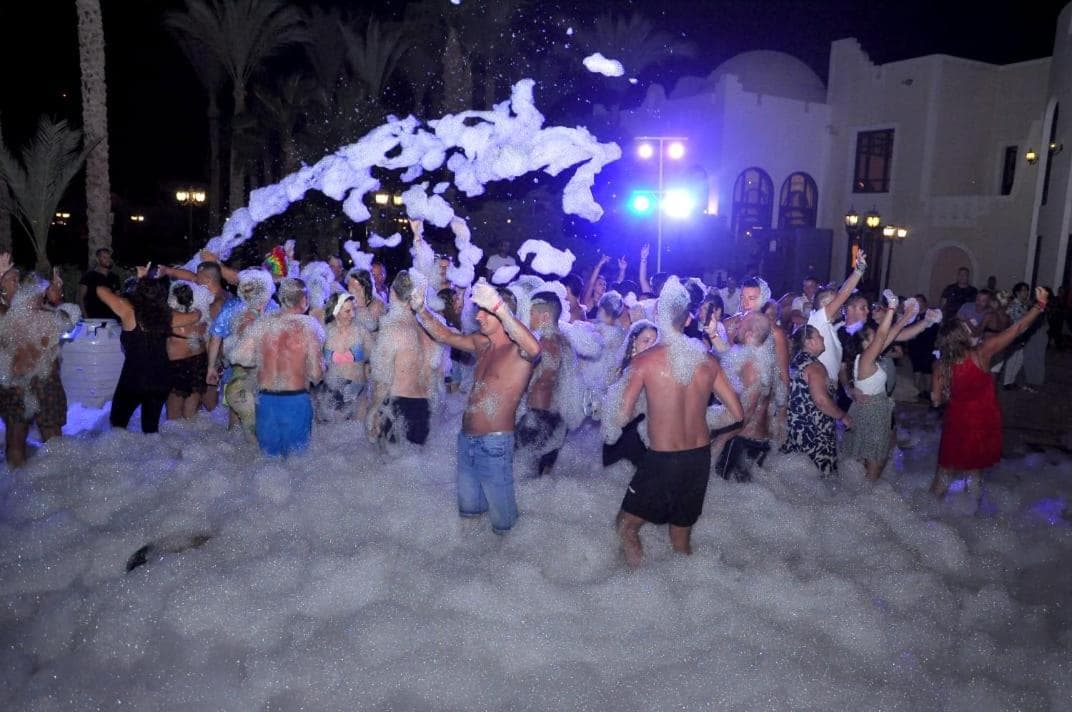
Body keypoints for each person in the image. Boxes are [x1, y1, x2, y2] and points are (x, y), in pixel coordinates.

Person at [612, 277, 744, 565]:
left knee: (625, 526)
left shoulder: (644, 362)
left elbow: (621, 415)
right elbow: (737, 414)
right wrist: (700, 418)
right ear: (688, 320)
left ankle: (638, 587)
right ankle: (688, 586)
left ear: (658, 316)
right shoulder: (708, 361)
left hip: (663, 459)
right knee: (680, 537)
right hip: (698, 458)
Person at [413, 280, 541, 534]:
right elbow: (445, 335)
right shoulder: (481, 343)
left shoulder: (518, 350)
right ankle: (474, 555)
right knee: (470, 513)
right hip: (466, 440)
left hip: (495, 442)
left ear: (501, 312)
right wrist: (421, 310)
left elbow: (534, 349)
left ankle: (507, 555)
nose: (478, 316)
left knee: (503, 520)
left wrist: (500, 308)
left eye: (485, 311)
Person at [930, 287, 1050, 499]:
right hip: (982, 419)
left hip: (956, 419)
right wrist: (1039, 306)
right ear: (962, 336)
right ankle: (970, 511)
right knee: (974, 471)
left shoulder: (940, 365)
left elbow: (936, 400)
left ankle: (928, 509)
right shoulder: (981, 353)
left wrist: (950, 393)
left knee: (945, 470)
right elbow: (1017, 329)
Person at [232, 278, 324, 457]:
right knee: (296, 462)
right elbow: (316, 374)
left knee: (269, 461)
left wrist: (265, 359)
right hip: (295, 399)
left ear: (281, 298)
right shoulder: (308, 327)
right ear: (304, 300)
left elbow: (240, 357)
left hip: (265, 399)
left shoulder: (262, 323)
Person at [0, 257, 69, 466]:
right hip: (16, 384)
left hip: (46, 382)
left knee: (53, 438)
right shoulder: (4, 314)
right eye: (12, 280)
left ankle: (58, 479)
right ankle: (17, 480)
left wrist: (56, 299)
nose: (17, 284)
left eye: (18, 280)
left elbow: (68, 322)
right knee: (16, 436)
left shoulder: (42, 313)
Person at [841, 294, 918, 480]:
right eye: (873, 337)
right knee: (874, 466)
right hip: (873, 414)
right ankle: (867, 496)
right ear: (865, 343)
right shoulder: (865, 359)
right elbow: (883, 335)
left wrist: (907, 316)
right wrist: (891, 308)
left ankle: (861, 495)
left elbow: (889, 335)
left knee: (865, 464)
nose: (877, 339)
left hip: (872, 412)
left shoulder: (865, 357)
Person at [367, 271, 441, 446]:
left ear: (392, 293)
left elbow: (382, 380)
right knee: (416, 460)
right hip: (424, 408)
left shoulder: (393, 328)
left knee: (390, 462)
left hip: (397, 406)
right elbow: (435, 375)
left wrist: (373, 411)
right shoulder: (429, 329)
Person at [96, 267, 172, 434]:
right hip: (161, 378)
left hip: (135, 378)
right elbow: (194, 317)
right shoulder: (167, 315)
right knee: (151, 431)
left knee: (118, 424)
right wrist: (197, 313)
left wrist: (140, 280)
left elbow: (100, 290)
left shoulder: (128, 311)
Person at [207, 269, 276, 436]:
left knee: (236, 408)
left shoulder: (232, 306)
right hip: (258, 368)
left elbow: (216, 337)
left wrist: (211, 367)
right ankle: (248, 446)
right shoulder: (272, 307)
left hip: (238, 366)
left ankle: (235, 445)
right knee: (256, 409)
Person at [781, 325, 852, 477]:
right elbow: (821, 401)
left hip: (796, 429)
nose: (822, 338)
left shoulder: (794, 362)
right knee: (821, 478)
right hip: (814, 433)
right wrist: (843, 416)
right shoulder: (814, 366)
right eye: (819, 335)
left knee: (799, 478)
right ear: (809, 342)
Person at [713, 313, 774, 482]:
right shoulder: (761, 357)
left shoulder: (752, 366)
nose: (736, 327)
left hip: (744, 442)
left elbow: (748, 410)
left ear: (749, 334)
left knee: (727, 493)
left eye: (740, 325)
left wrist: (722, 439)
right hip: (753, 440)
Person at [516, 291, 569, 477]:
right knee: (541, 475)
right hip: (558, 416)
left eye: (532, 313)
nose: (529, 317)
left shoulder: (543, 345)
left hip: (537, 417)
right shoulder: (566, 342)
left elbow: (526, 380)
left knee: (520, 472)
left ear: (545, 316)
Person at [602, 320, 658, 469]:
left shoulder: (658, 371)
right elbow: (607, 399)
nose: (651, 346)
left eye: (654, 342)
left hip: (642, 435)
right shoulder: (621, 368)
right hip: (618, 435)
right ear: (634, 341)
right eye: (646, 341)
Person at [316, 292, 369, 423]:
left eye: (353, 310)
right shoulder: (324, 332)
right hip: (331, 390)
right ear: (336, 312)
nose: (353, 315)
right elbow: (314, 362)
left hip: (356, 391)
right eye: (347, 311)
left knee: (355, 432)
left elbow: (375, 359)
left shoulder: (361, 331)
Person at [165, 282, 208, 420]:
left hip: (178, 364)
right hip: (199, 361)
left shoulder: (170, 317)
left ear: (172, 298)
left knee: (173, 416)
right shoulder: (201, 315)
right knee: (191, 414)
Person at [907, 294, 940, 400]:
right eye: (915, 302)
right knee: (916, 369)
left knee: (927, 370)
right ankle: (916, 392)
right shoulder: (913, 315)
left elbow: (934, 331)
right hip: (914, 346)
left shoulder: (931, 315)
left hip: (927, 346)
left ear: (925, 303)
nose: (917, 304)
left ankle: (928, 392)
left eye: (919, 301)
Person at [77, 247, 121, 320]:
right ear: (98, 259)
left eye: (109, 257)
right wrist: (86, 318)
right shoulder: (88, 276)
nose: (108, 260)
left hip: (112, 319)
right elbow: (80, 298)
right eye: (104, 257)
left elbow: (118, 298)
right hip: (94, 318)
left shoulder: (115, 277)